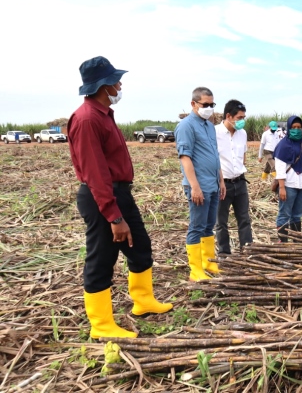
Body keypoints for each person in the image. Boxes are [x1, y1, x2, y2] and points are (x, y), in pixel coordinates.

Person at [68, 56, 172, 339]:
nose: (120, 85)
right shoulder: (87, 119)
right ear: (103, 86)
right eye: (115, 81)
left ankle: (143, 301)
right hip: (102, 196)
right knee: (102, 257)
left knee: (140, 245)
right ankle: (101, 326)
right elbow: (95, 171)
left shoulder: (103, 115)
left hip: (119, 192)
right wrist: (113, 216)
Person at [175, 87, 225, 281]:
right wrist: (194, 186)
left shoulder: (209, 126)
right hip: (198, 185)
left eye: (212, 105)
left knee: (209, 225)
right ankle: (195, 270)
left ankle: (208, 262)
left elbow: (214, 155)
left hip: (212, 183)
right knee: (197, 226)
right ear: (193, 104)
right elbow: (185, 157)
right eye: (205, 105)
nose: (209, 108)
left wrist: (221, 180)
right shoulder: (186, 126)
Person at [214, 99, 253, 254]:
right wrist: (220, 180)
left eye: (244, 118)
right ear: (229, 116)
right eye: (239, 118)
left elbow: (243, 156)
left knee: (244, 219)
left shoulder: (242, 133)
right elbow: (213, 159)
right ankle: (224, 254)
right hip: (223, 184)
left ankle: (247, 252)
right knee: (221, 222)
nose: (242, 121)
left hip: (240, 181)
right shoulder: (215, 133)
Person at [274, 116, 302, 242]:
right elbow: (280, 167)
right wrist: (281, 187)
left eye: (298, 127)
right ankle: (283, 242)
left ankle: (296, 241)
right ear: (289, 128)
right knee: (284, 214)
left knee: (297, 215)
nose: (296, 130)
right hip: (289, 184)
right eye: (293, 127)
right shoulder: (283, 145)